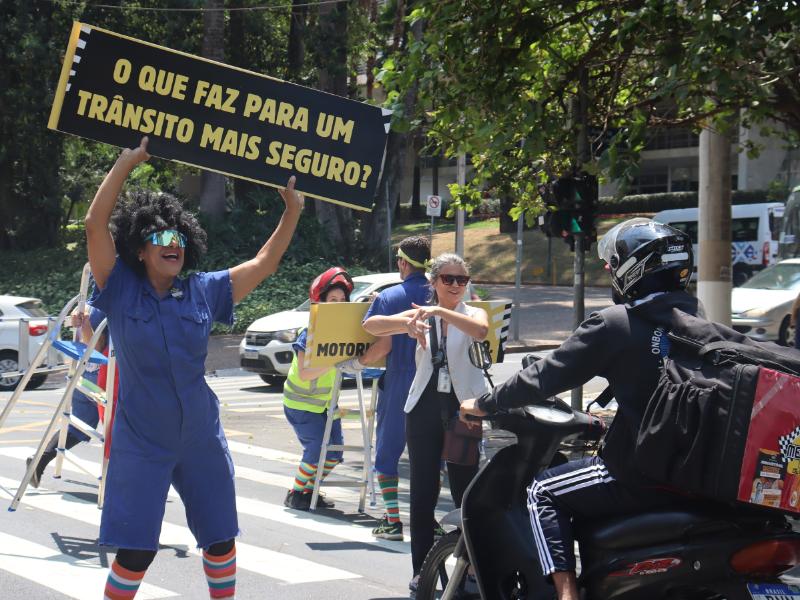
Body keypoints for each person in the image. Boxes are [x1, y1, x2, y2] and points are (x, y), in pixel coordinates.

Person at [85, 136, 303, 600]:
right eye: (160, 238)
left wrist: (292, 211)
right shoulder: (120, 289)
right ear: (140, 250)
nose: (173, 244)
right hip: (141, 439)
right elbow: (94, 223)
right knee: (136, 552)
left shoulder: (203, 290)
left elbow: (265, 263)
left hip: (200, 435)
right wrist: (126, 164)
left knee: (220, 540)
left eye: (179, 237)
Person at [461, 218, 699, 600]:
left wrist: (484, 403)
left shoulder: (617, 324)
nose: (609, 271)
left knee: (542, 492)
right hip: (694, 477)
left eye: (614, 264)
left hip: (637, 474)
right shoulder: (701, 325)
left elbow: (545, 376)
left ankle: (567, 594)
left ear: (631, 269)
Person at [365, 253, 489, 593]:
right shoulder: (420, 315)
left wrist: (436, 311)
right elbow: (370, 325)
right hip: (423, 407)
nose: (455, 286)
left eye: (461, 280)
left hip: (464, 409)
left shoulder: (470, 313)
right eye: (447, 279)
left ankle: (471, 573)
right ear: (433, 282)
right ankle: (422, 570)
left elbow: (481, 330)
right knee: (423, 493)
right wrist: (404, 324)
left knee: (465, 493)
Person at [283, 267, 389, 510]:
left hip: (326, 406)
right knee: (316, 451)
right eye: (333, 300)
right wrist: (335, 357)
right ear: (319, 302)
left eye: (343, 300)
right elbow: (305, 372)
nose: (339, 305)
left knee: (333, 454)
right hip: (302, 406)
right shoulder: (309, 333)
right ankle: (296, 492)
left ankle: (308, 491)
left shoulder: (343, 333)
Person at [362, 236, 432, 540]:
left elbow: (382, 344)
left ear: (403, 262)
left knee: (388, 452)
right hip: (435, 381)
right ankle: (429, 520)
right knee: (432, 454)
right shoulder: (443, 292)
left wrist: (357, 362)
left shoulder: (388, 297)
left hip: (401, 380)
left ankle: (393, 521)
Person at [25, 306, 109, 488]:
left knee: (77, 427)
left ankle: (39, 461)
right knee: (121, 429)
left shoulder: (89, 300)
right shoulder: (109, 301)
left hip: (83, 372)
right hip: (101, 375)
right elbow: (96, 344)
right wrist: (85, 324)